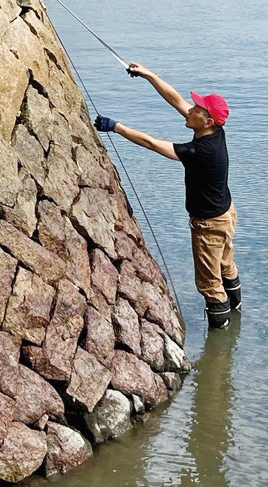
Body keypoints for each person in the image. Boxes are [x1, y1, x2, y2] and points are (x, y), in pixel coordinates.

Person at [93, 62, 241, 329]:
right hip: (226, 215)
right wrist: (148, 74)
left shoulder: (200, 152)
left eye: (197, 108)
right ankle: (238, 312)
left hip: (208, 224)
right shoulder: (216, 131)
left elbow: (151, 143)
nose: (190, 108)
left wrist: (117, 127)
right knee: (225, 264)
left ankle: (221, 340)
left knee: (209, 284)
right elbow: (175, 99)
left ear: (206, 121)